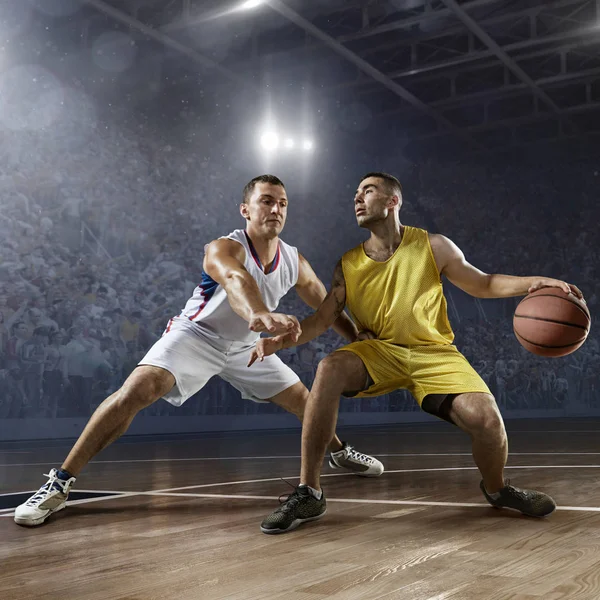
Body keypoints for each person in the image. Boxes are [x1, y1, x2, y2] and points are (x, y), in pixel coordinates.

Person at [14, 175, 383, 527]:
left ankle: (337, 451)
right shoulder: (223, 247)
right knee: (138, 390)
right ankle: (59, 483)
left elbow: (325, 305)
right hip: (196, 336)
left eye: (282, 204)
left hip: (245, 349)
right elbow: (236, 279)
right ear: (245, 209)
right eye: (266, 201)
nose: (276, 210)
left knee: (306, 400)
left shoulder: (293, 261)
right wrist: (260, 314)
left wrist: (356, 337)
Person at [253, 172, 584, 534]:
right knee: (329, 367)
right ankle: (309, 492)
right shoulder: (347, 265)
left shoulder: (434, 246)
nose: (358, 199)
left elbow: (484, 282)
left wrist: (534, 282)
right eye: (356, 194)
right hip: (380, 351)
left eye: (368, 191)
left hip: (434, 354)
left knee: (488, 423)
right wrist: (281, 341)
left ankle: (498, 489)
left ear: (393, 201)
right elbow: (321, 320)